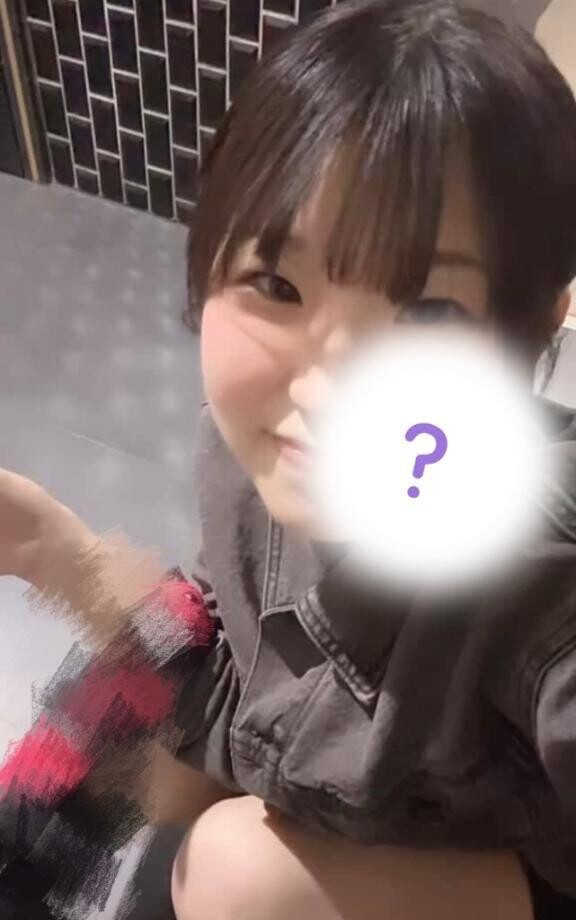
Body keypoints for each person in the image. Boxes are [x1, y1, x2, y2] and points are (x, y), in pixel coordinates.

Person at [2, 1, 576, 917]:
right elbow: (231, 669)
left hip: (514, 862)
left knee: (232, 873)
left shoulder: (540, 582)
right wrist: (51, 551)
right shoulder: (257, 456)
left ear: (539, 326)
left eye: (429, 315)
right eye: (276, 284)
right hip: (330, 779)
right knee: (145, 759)